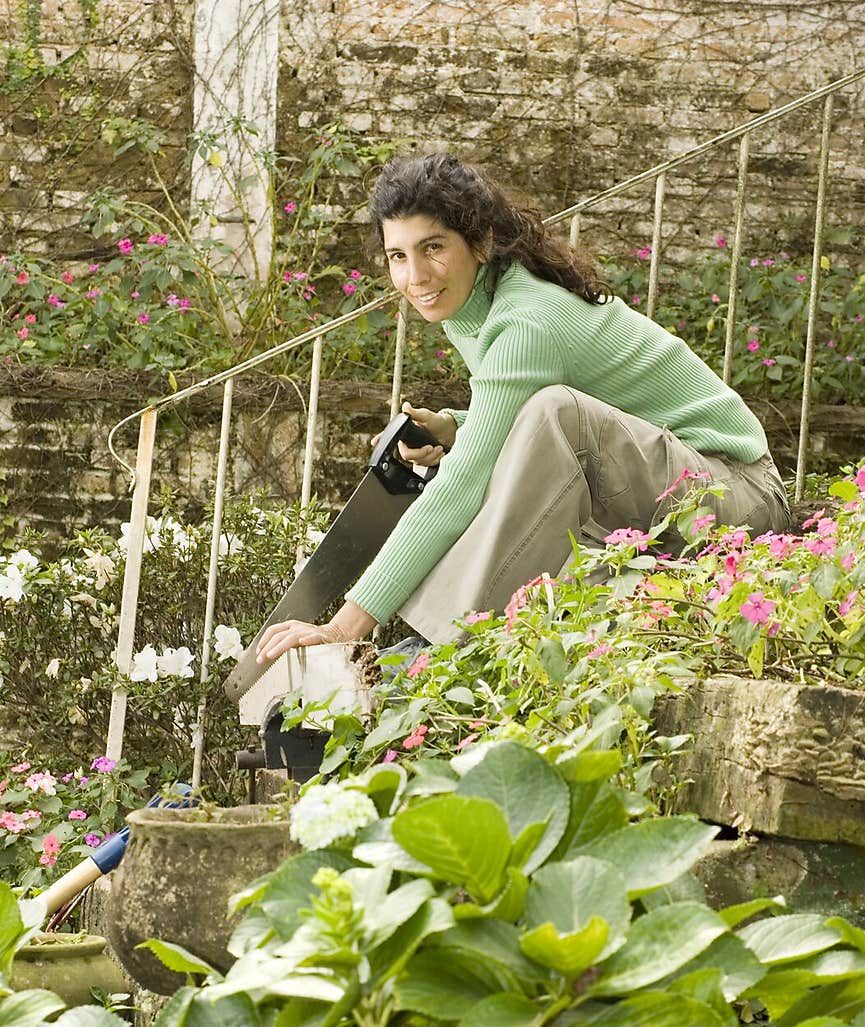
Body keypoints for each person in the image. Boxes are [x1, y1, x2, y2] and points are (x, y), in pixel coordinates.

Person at [254, 150, 790, 667]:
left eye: (433, 248)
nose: (415, 276)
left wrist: (341, 628)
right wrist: (457, 430)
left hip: (736, 494)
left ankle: (431, 649)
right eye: (398, 256)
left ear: (481, 242)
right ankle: (451, 638)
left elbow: (466, 483)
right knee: (542, 418)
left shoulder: (526, 321)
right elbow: (509, 426)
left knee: (554, 413)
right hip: (670, 487)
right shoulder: (478, 306)